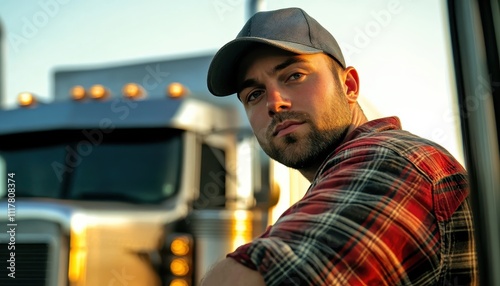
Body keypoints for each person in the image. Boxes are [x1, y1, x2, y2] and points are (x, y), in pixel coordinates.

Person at [202, 7, 478, 286]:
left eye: (294, 75)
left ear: (349, 86)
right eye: (254, 94)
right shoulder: (342, 176)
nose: (274, 103)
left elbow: (267, 277)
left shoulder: (392, 159)